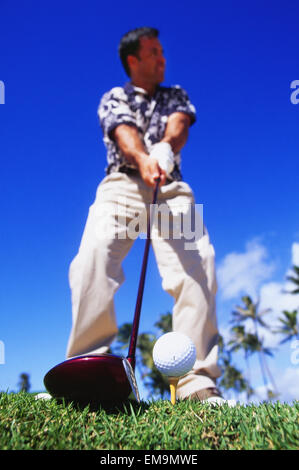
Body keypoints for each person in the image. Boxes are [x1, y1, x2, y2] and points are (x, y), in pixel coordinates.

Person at [66, 27, 224, 402]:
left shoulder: (176, 94)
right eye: (154, 52)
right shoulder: (114, 96)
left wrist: (166, 149)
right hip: (122, 184)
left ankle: (196, 380)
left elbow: (179, 123)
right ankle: (91, 366)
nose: (162, 58)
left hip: (171, 187)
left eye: (163, 51)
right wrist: (143, 158)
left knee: (199, 263)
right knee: (93, 257)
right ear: (133, 60)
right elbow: (123, 131)